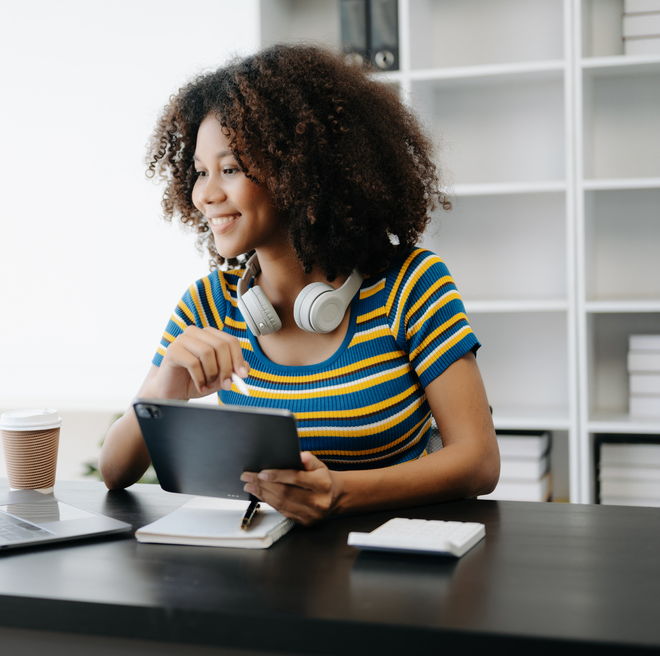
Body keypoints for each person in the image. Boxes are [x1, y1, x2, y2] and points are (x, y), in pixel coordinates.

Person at [99, 44, 499, 524]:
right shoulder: (210, 303)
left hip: (396, 564)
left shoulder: (410, 285)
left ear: (298, 171)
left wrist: (339, 493)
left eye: (230, 170)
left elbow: (479, 461)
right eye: (201, 172)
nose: (205, 194)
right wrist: (166, 385)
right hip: (269, 570)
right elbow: (115, 471)